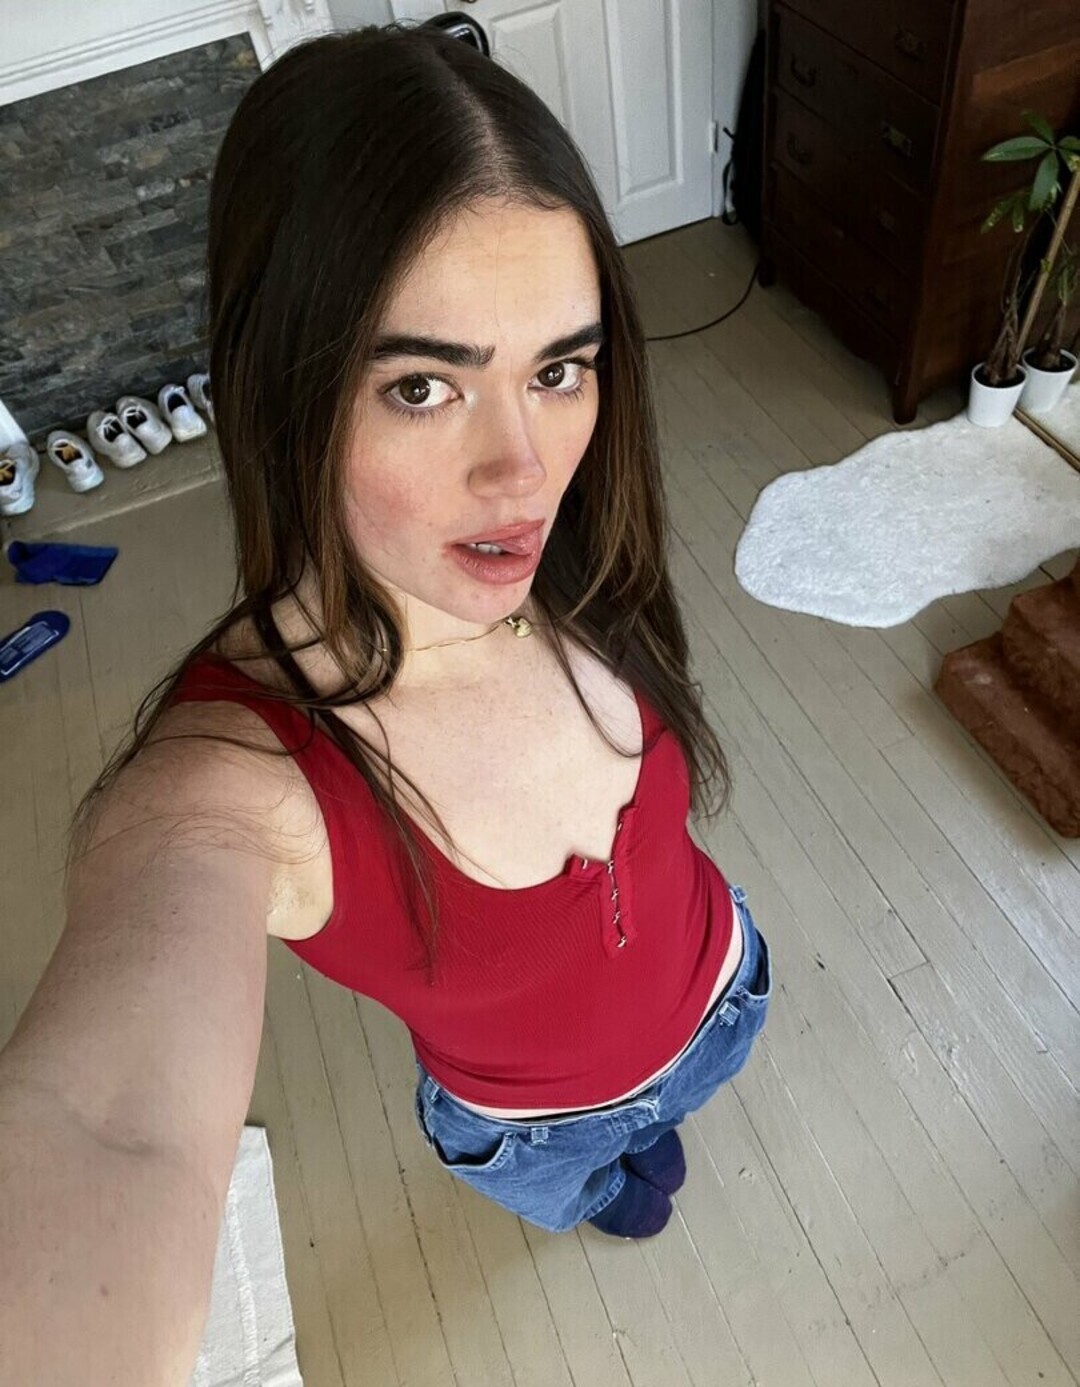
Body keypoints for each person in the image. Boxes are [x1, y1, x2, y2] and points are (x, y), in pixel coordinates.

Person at [0, 22, 773, 1385]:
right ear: (281, 388)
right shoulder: (236, 783)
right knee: (621, 1189)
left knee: (670, 1121)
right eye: (423, 386)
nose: (524, 469)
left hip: (722, 992)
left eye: (559, 368)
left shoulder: (580, 551)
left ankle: (649, 1130)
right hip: (533, 1131)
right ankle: (608, 1177)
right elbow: (109, 1127)